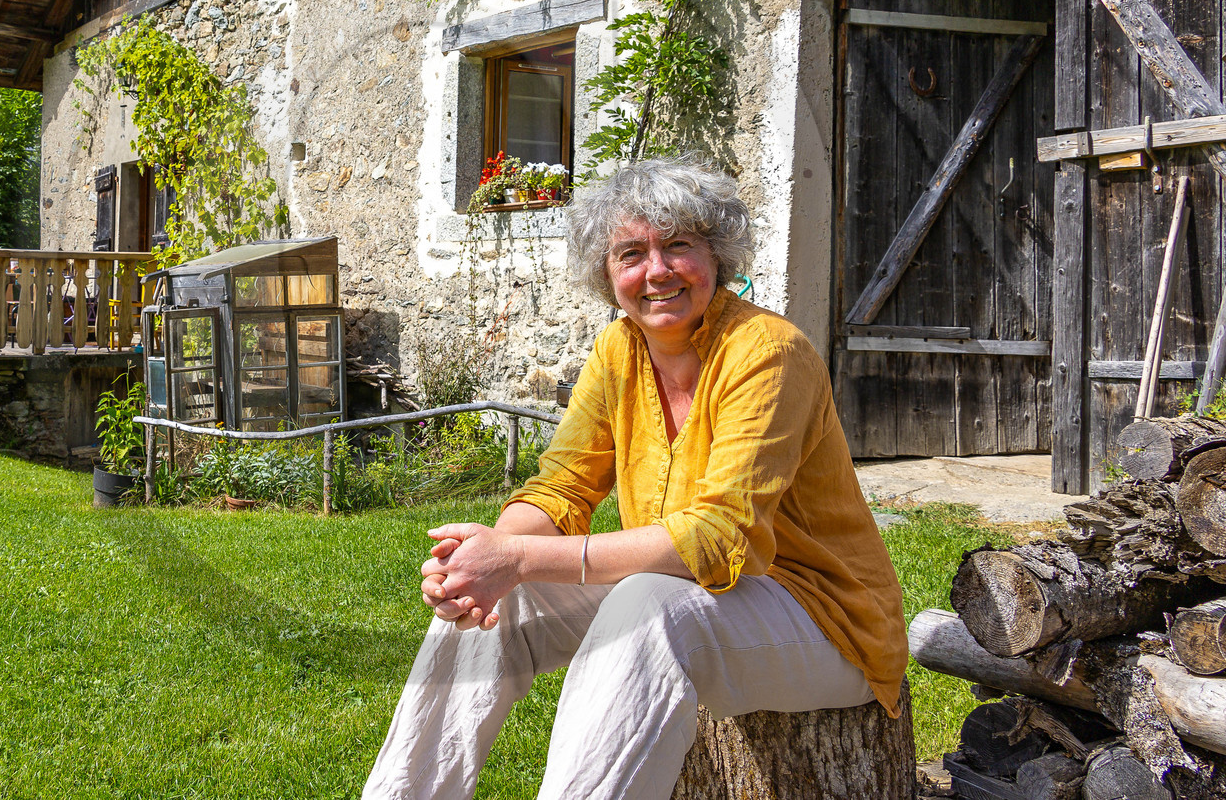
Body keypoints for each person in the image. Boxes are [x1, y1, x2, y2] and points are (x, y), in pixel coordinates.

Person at [362, 156, 907, 800]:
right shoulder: (617, 350)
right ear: (606, 272)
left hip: (824, 620)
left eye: (679, 246)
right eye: (630, 253)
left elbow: (714, 539)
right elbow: (561, 487)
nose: (656, 272)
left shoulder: (767, 353)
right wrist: (485, 558)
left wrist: (519, 555)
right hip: (687, 594)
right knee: (506, 594)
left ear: (717, 255)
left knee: (647, 606)